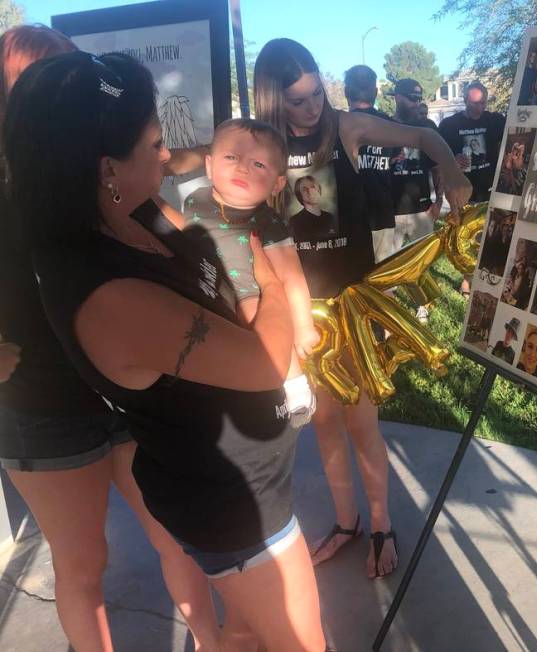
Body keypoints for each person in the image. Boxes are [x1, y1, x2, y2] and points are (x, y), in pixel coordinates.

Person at [6, 51, 325, 651]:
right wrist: (277, 282)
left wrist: (253, 289)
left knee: (248, 634)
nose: (165, 156)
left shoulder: (135, 212)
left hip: (248, 483)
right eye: (154, 143)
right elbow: (261, 364)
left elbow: (216, 273)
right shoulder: (110, 294)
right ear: (106, 167)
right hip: (233, 505)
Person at [0, 28, 220, 652]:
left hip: (129, 394)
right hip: (42, 408)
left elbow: (188, 240)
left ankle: (213, 641)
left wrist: (248, 248)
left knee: (175, 532)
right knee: (83, 565)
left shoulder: (103, 175)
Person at [253, 39, 471, 578]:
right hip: (304, 310)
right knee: (325, 422)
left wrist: (450, 169)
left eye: (315, 95)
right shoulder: (265, 143)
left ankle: (380, 525)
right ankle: (346, 522)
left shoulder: (345, 128)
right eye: (297, 101)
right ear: (273, 100)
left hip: (352, 304)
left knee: (361, 423)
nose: (311, 109)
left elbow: (423, 135)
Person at [166, 118, 318, 425]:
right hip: (203, 286)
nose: (242, 168)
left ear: (277, 183)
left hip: (247, 291)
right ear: (209, 166)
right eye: (231, 157)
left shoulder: (267, 222)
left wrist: (303, 325)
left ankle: (295, 385)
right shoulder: (195, 201)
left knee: (251, 312)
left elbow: (292, 275)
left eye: (259, 164)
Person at [387, 77, 443, 322]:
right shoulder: (383, 126)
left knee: (420, 262)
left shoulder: (428, 127)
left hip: (422, 209)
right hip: (390, 211)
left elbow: (438, 167)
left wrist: (439, 200)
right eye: (412, 98)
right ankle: (390, 312)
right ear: (398, 97)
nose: (416, 103)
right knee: (389, 265)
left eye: (419, 98)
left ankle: (422, 305)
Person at [344, 64, 396, 263]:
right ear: (375, 92)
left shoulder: (337, 125)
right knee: (382, 280)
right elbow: (395, 157)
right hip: (381, 212)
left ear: (346, 91)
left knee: (352, 280)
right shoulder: (390, 125)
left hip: (348, 218)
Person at [437, 82, 505, 204]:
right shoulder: (448, 125)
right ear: (465, 100)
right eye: (474, 103)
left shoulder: (495, 120)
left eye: (483, 103)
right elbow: (436, 161)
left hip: (493, 194)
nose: (479, 108)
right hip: (463, 195)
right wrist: (451, 162)